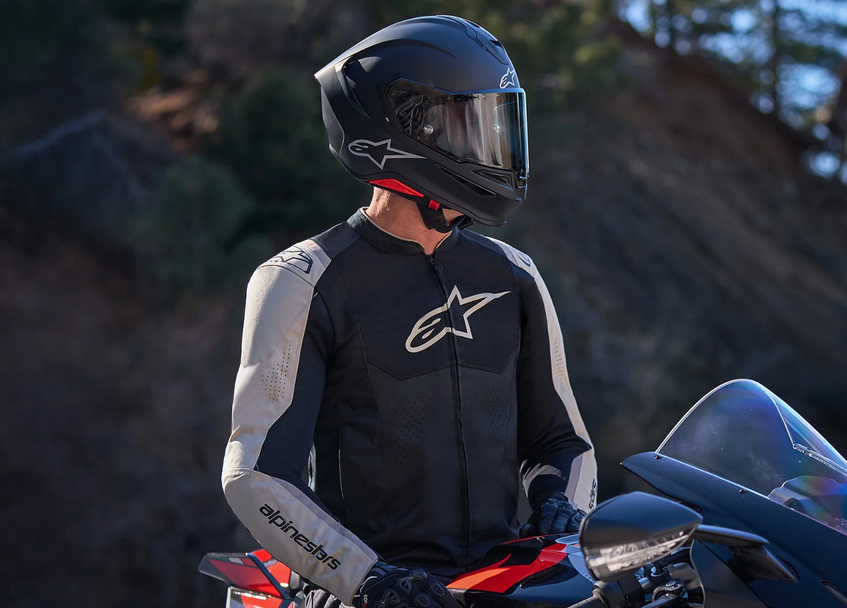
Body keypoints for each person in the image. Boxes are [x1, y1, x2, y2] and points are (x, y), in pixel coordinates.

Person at [220, 15, 597, 608]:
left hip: (500, 588)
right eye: (470, 124)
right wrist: (368, 579)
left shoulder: (513, 275)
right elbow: (256, 476)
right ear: (401, 131)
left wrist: (563, 510)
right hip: (365, 592)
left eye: (497, 122)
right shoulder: (300, 281)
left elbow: (564, 442)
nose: (493, 145)